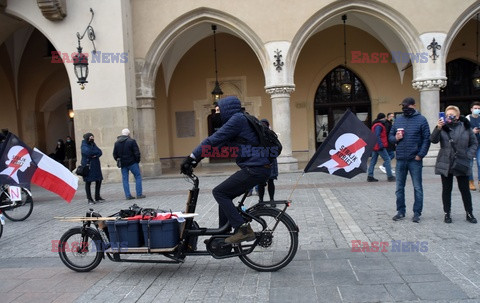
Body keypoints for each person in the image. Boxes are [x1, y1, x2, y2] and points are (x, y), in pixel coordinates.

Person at [180, 96, 272, 244]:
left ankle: (243, 230)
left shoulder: (237, 120)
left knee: (219, 192)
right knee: (225, 195)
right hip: (259, 168)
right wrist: (197, 159)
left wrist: (191, 157)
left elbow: (213, 139)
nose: (217, 113)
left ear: (227, 109)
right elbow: (218, 145)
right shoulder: (242, 119)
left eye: (218, 110)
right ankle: (224, 234)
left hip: (255, 168)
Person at [431, 105, 477, 224]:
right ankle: (447, 213)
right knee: (446, 189)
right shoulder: (442, 127)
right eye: (447, 115)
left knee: (464, 189)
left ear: (457, 116)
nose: (449, 117)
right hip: (446, 161)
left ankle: (469, 213)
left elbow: (474, 143)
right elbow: (433, 139)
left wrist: (468, 155)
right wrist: (438, 127)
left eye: (452, 115)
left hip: (462, 161)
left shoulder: (466, 127)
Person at [389, 97, 431, 223]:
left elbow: (426, 139)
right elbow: (390, 137)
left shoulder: (421, 119)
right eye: (403, 106)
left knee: (417, 187)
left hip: (415, 159)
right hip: (401, 158)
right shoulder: (398, 119)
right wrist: (396, 138)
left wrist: (420, 155)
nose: (404, 108)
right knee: (399, 187)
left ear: (413, 105)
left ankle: (417, 213)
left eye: (407, 106)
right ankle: (400, 211)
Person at [113, 128, 145, 200]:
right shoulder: (132, 141)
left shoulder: (117, 142)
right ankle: (139, 194)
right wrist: (137, 160)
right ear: (128, 134)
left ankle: (128, 195)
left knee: (125, 179)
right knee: (138, 176)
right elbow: (137, 152)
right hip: (132, 162)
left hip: (123, 164)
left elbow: (115, 154)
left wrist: (119, 160)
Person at [367, 113, 395, 182]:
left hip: (375, 146)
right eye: (384, 117)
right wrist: (381, 145)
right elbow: (377, 136)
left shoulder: (375, 125)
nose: (385, 119)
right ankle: (390, 176)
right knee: (387, 159)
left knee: (373, 161)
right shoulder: (379, 125)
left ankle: (370, 176)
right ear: (382, 118)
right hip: (379, 146)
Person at [257, 118, 278, 206]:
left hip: (269, 159)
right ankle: (261, 200)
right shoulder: (257, 135)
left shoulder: (270, 134)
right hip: (262, 159)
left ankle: (270, 200)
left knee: (270, 181)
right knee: (262, 182)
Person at [81, 133, 104, 204]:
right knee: (88, 182)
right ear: (87, 138)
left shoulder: (93, 144)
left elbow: (100, 152)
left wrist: (95, 154)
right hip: (88, 165)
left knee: (99, 180)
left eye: (93, 137)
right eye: (91, 137)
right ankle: (89, 198)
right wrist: (94, 153)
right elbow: (88, 152)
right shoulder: (84, 145)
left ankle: (97, 196)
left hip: (96, 165)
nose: (92, 139)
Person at [466, 101, 480, 191]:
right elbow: (463, 131)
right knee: (469, 164)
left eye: (479, 108)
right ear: (471, 109)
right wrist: (472, 132)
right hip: (469, 144)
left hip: (479, 144)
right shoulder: (467, 119)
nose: (477, 110)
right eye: (475, 108)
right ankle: (470, 181)